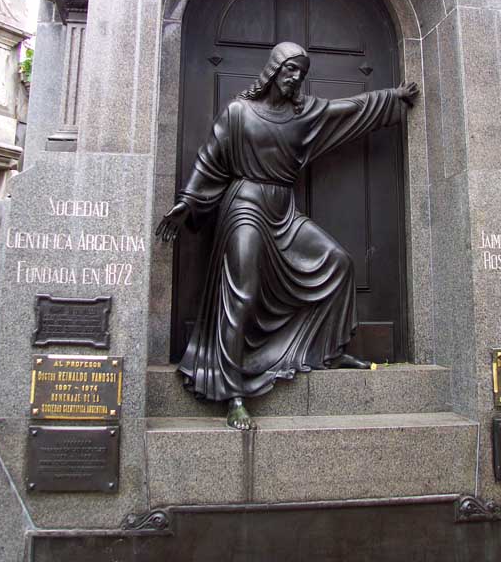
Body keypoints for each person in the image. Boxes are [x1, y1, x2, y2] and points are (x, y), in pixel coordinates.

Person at [156, 42, 418, 430]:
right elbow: (209, 160)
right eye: (290, 69)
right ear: (273, 70)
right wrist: (187, 202)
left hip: (284, 211)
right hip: (245, 204)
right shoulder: (238, 112)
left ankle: (328, 351)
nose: (296, 78)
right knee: (242, 293)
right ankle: (234, 395)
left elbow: (349, 109)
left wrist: (392, 98)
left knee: (338, 263)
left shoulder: (304, 113)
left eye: (301, 72)